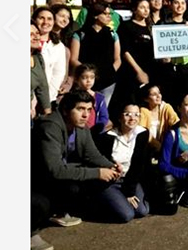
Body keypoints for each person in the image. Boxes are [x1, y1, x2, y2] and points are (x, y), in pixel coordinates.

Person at [31, 90, 121, 226]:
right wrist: (98, 173)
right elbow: (55, 170)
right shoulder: (50, 127)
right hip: (38, 180)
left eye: (89, 110)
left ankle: (68, 208)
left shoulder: (81, 127)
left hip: (60, 174)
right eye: (80, 109)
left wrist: (111, 166)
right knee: (48, 201)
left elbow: (91, 154)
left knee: (101, 180)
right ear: (65, 110)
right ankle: (53, 213)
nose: (86, 115)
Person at [95, 103, 150, 222]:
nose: (132, 118)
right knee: (127, 215)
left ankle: (120, 199)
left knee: (142, 211)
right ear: (120, 117)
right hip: (111, 182)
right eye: (127, 114)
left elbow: (138, 165)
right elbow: (100, 163)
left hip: (129, 179)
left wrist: (129, 192)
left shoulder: (142, 133)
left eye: (136, 114)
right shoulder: (107, 137)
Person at [69, 2, 121, 105]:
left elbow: (117, 58)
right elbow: (74, 59)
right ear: (95, 15)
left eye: (110, 14)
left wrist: (111, 71)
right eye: (105, 14)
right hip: (85, 80)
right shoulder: (80, 34)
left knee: (102, 108)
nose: (109, 17)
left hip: (108, 81)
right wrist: (87, 73)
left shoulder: (112, 34)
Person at [114, 0, 154, 117]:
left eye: (147, 8)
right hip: (131, 71)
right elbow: (125, 51)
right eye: (142, 7)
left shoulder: (151, 27)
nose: (146, 10)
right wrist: (139, 71)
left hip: (150, 69)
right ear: (135, 9)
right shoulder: (126, 26)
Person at [32, 6, 68, 105]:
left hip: (47, 98)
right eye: (41, 18)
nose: (45, 22)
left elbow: (58, 73)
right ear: (34, 20)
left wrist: (46, 98)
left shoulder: (58, 46)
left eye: (49, 19)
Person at [138, 84, 179, 156]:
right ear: (146, 99)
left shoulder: (166, 108)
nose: (158, 96)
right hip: (147, 150)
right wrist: (158, 146)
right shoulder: (143, 111)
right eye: (154, 94)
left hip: (165, 148)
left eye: (159, 93)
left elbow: (176, 123)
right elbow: (143, 132)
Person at [72, 64, 112, 135]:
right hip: (75, 132)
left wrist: (98, 129)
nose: (89, 81)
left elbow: (104, 116)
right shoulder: (72, 96)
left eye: (92, 77)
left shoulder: (99, 98)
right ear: (77, 79)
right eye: (84, 78)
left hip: (93, 133)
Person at [31, 22, 52, 119]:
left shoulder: (37, 58)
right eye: (31, 34)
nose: (36, 37)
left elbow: (42, 88)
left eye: (37, 33)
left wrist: (49, 117)